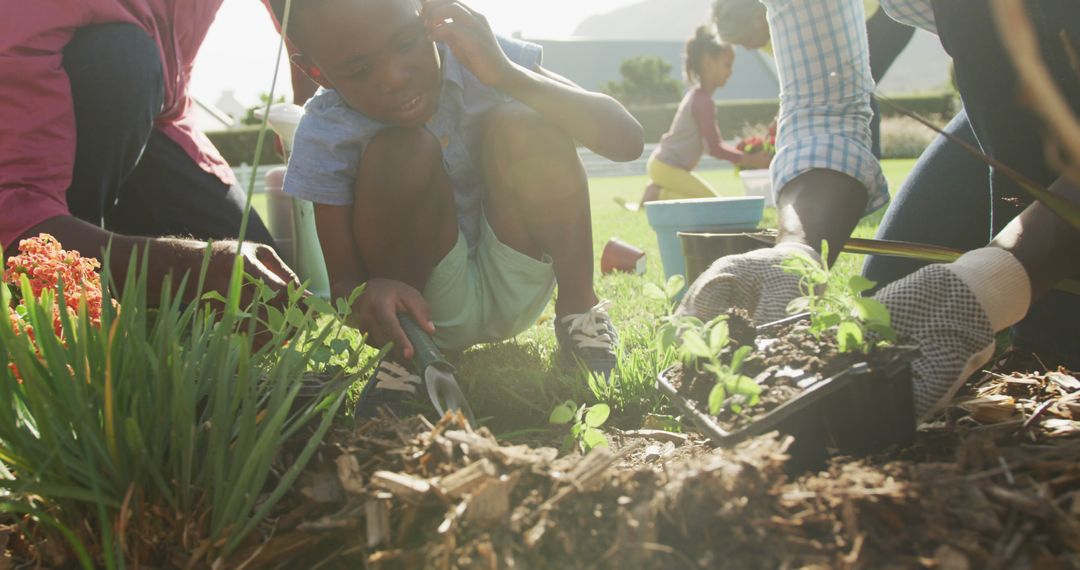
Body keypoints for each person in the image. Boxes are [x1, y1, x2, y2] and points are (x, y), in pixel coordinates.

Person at [678, 0, 1080, 419]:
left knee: (1055, 338)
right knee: (889, 313)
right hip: (1014, 88)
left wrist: (1000, 277)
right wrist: (795, 254)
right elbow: (826, 109)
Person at [266, 0, 644, 417]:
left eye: (406, 43)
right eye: (359, 70)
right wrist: (368, 295)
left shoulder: (478, 52)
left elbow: (626, 140)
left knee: (524, 124)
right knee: (402, 151)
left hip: (518, 272)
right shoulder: (325, 132)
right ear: (315, 71)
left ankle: (580, 315)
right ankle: (404, 360)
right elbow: (343, 286)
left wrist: (506, 74)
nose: (393, 76)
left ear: (428, 17)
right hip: (423, 313)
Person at [0, 1, 299, 307]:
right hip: (51, 145)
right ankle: (68, 291)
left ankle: (109, 261)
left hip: (164, 125)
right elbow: (14, 210)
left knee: (260, 289)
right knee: (119, 57)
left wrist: (313, 124)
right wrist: (185, 267)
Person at [712, 0, 917, 158]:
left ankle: (868, 164)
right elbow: (800, 84)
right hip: (859, 27)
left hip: (884, 15)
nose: (748, 48)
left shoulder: (795, 17)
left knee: (855, 87)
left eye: (746, 40)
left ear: (759, 17)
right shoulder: (767, 37)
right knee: (848, 89)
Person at [634, 27, 771, 208]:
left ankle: (656, 192)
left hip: (666, 167)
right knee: (714, 206)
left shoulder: (699, 97)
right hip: (666, 167)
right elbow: (714, 147)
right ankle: (657, 195)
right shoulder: (702, 100)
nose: (731, 72)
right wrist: (752, 159)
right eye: (727, 65)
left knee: (710, 203)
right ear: (708, 63)